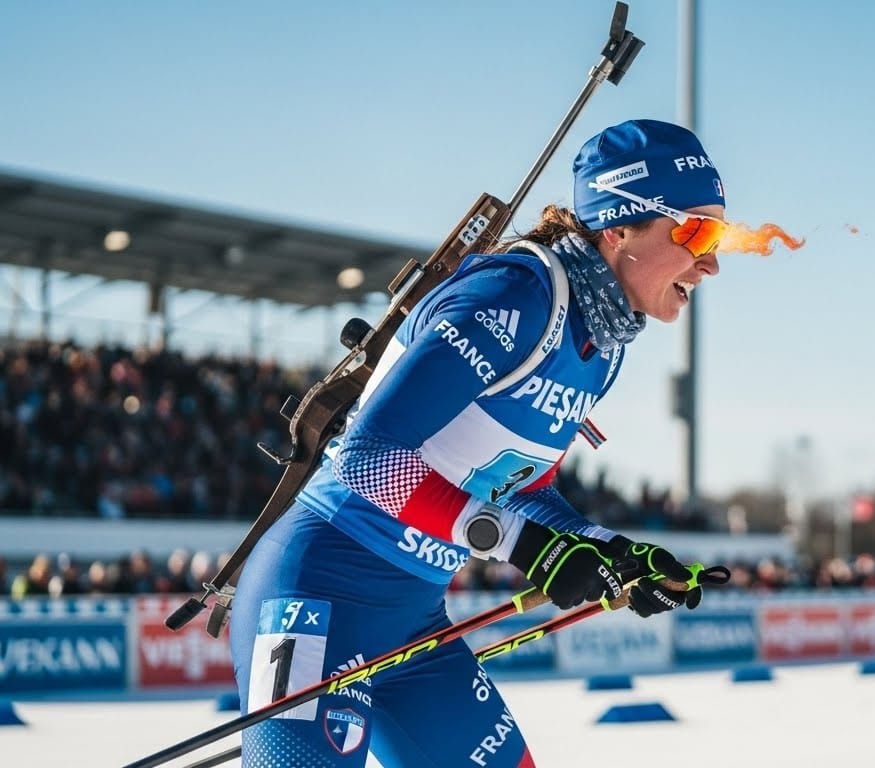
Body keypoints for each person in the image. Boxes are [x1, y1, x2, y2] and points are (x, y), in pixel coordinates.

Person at [229, 119, 728, 768]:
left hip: (413, 621)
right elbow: (367, 457)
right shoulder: (514, 295)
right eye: (697, 232)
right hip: (316, 597)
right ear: (618, 226)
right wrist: (533, 549)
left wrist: (613, 552)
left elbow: (527, 489)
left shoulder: (599, 345)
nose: (712, 261)